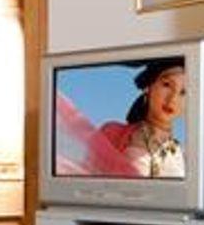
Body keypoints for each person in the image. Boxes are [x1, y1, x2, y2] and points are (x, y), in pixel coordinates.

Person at [55, 59, 188, 179]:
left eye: (183, 92)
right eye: (167, 85)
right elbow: (85, 179)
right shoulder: (111, 133)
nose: (173, 98)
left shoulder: (182, 155)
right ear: (148, 86)